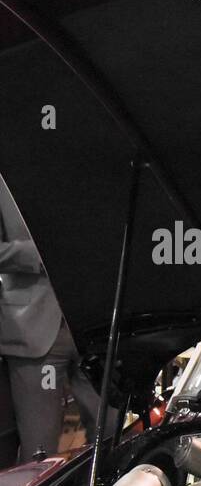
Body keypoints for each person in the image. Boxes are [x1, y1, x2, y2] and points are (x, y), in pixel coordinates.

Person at [0, 193, 103, 461]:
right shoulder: (5, 180)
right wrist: (42, 254)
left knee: (112, 431)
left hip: (95, 323)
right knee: (40, 450)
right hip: (33, 330)